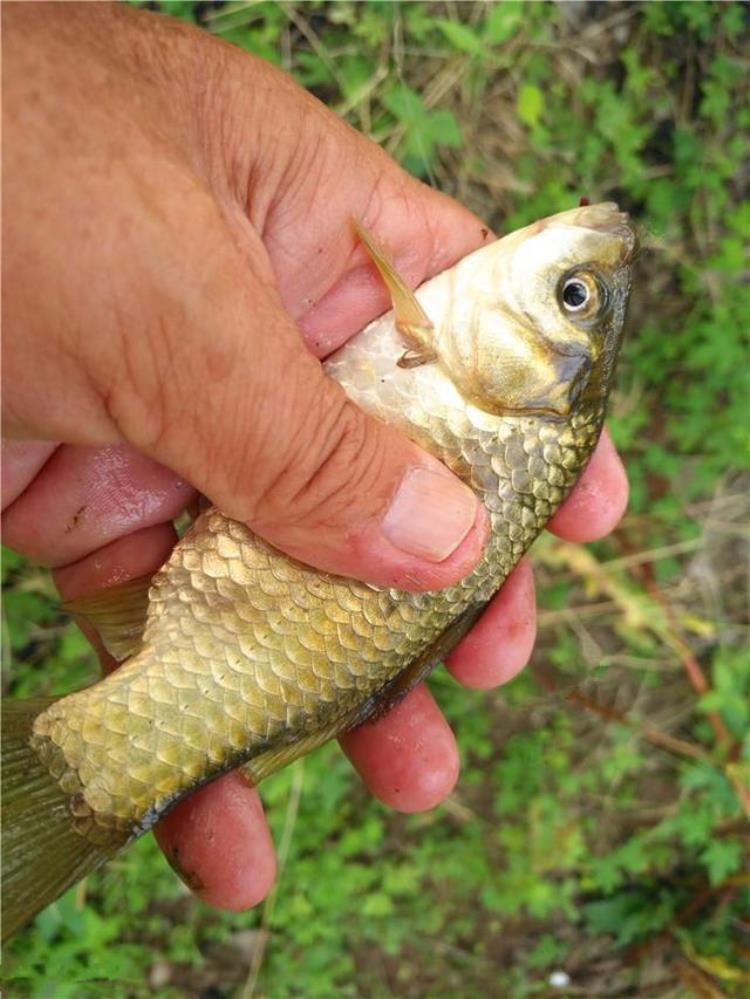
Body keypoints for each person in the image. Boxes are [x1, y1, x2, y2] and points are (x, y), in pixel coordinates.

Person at [1, 5, 628, 910]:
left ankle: (82, 783)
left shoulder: (462, 372)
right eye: (577, 295)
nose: (574, 265)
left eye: (571, 295)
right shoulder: (463, 376)